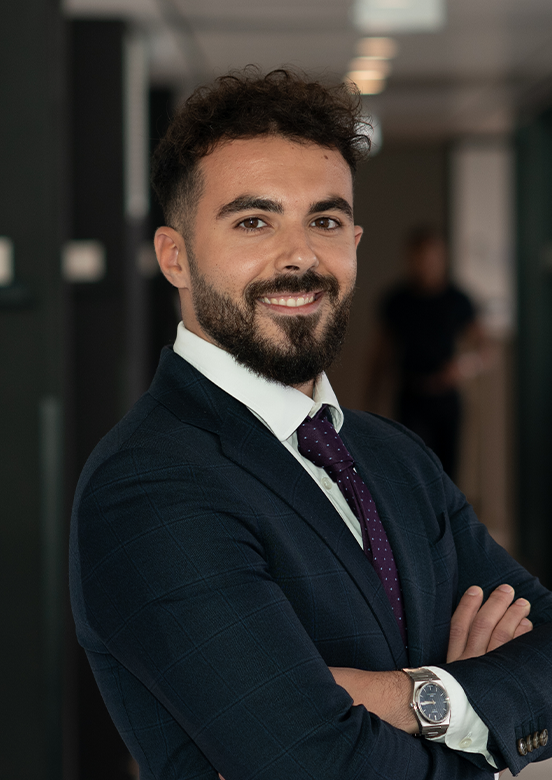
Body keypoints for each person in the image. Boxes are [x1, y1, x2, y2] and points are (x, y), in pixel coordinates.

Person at [69, 68, 552, 780]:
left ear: (355, 239)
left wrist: (416, 698)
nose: (300, 256)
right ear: (175, 256)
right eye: (253, 221)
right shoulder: (150, 486)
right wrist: (478, 728)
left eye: (324, 221)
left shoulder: (395, 455)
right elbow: (315, 763)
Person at [366, 228, 489, 479]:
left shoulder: (457, 299)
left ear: (443, 257)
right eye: (420, 257)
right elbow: (381, 354)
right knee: (412, 470)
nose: (426, 264)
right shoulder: (397, 301)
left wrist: (463, 368)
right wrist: (371, 400)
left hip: (446, 398)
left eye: (432, 257)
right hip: (411, 395)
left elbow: (485, 347)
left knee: (447, 474)